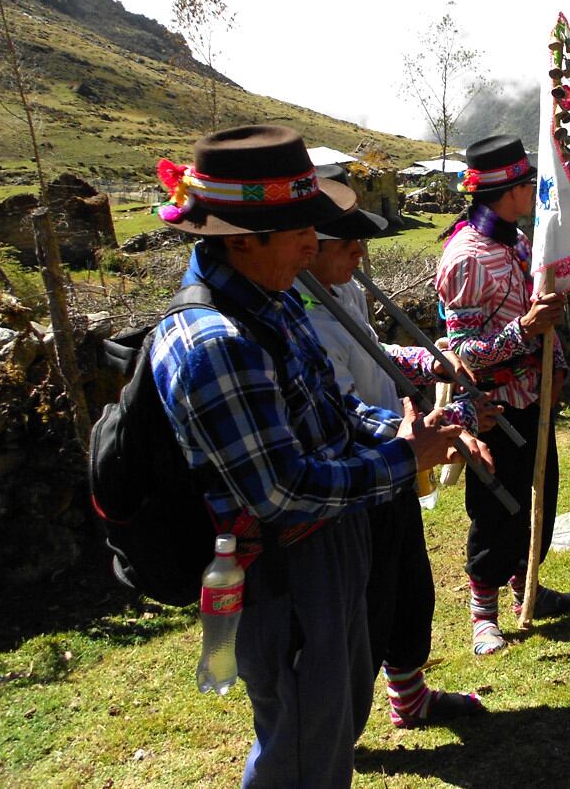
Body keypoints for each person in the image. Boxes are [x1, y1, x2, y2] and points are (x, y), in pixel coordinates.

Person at [149, 125, 489, 787]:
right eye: (300, 229)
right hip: (288, 569)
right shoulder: (215, 343)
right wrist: (403, 460)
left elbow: (332, 407)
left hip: (331, 542)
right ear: (243, 237)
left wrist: (399, 432)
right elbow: (280, 492)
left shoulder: (274, 303)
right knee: (302, 745)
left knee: (331, 721)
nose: (316, 242)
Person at [294, 183, 485, 730]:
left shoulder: (344, 288)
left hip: (396, 461)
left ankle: (410, 698)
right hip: (353, 481)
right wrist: (431, 432)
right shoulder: (302, 320)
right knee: (364, 609)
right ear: (311, 248)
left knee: (409, 589)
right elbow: (342, 407)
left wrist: (432, 361)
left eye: (361, 244)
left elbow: (375, 353)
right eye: (348, 245)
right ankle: (337, 732)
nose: (360, 255)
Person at [436, 134, 570, 656]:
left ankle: (528, 589)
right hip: (496, 409)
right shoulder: (467, 258)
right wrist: (524, 328)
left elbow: (542, 317)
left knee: (540, 498)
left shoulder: (518, 243)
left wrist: (556, 363)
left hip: (534, 397)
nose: (533, 192)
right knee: (497, 510)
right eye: (528, 184)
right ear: (510, 191)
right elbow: (463, 353)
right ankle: (484, 614)